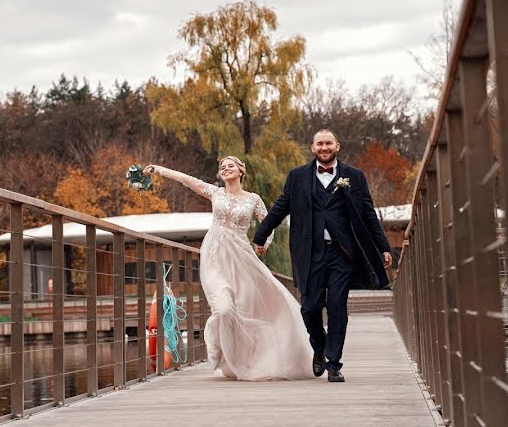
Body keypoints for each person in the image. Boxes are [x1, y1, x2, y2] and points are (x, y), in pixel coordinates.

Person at [142, 157, 314, 381]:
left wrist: (264, 243)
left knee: (244, 309)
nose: (225, 169)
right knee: (223, 309)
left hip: (242, 258)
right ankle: (221, 354)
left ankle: (245, 361)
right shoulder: (216, 193)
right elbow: (185, 179)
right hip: (215, 257)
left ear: (241, 170)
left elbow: (269, 221)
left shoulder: (253, 199)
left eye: (230, 165)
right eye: (222, 167)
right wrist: (158, 169)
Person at [253, 129, 392, 383]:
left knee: (338, 306)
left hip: (343, 254)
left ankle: (334, 363)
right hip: (310, 253)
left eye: (329, 143)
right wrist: (260, 236)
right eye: (320, 143)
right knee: (309, 308)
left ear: (337, 146)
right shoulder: (297, 177)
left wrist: (383, 246)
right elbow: (280, 207)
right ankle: (319, 346)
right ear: (312, 147)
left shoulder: (354, 176)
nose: (324, 147)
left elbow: (368, 214)